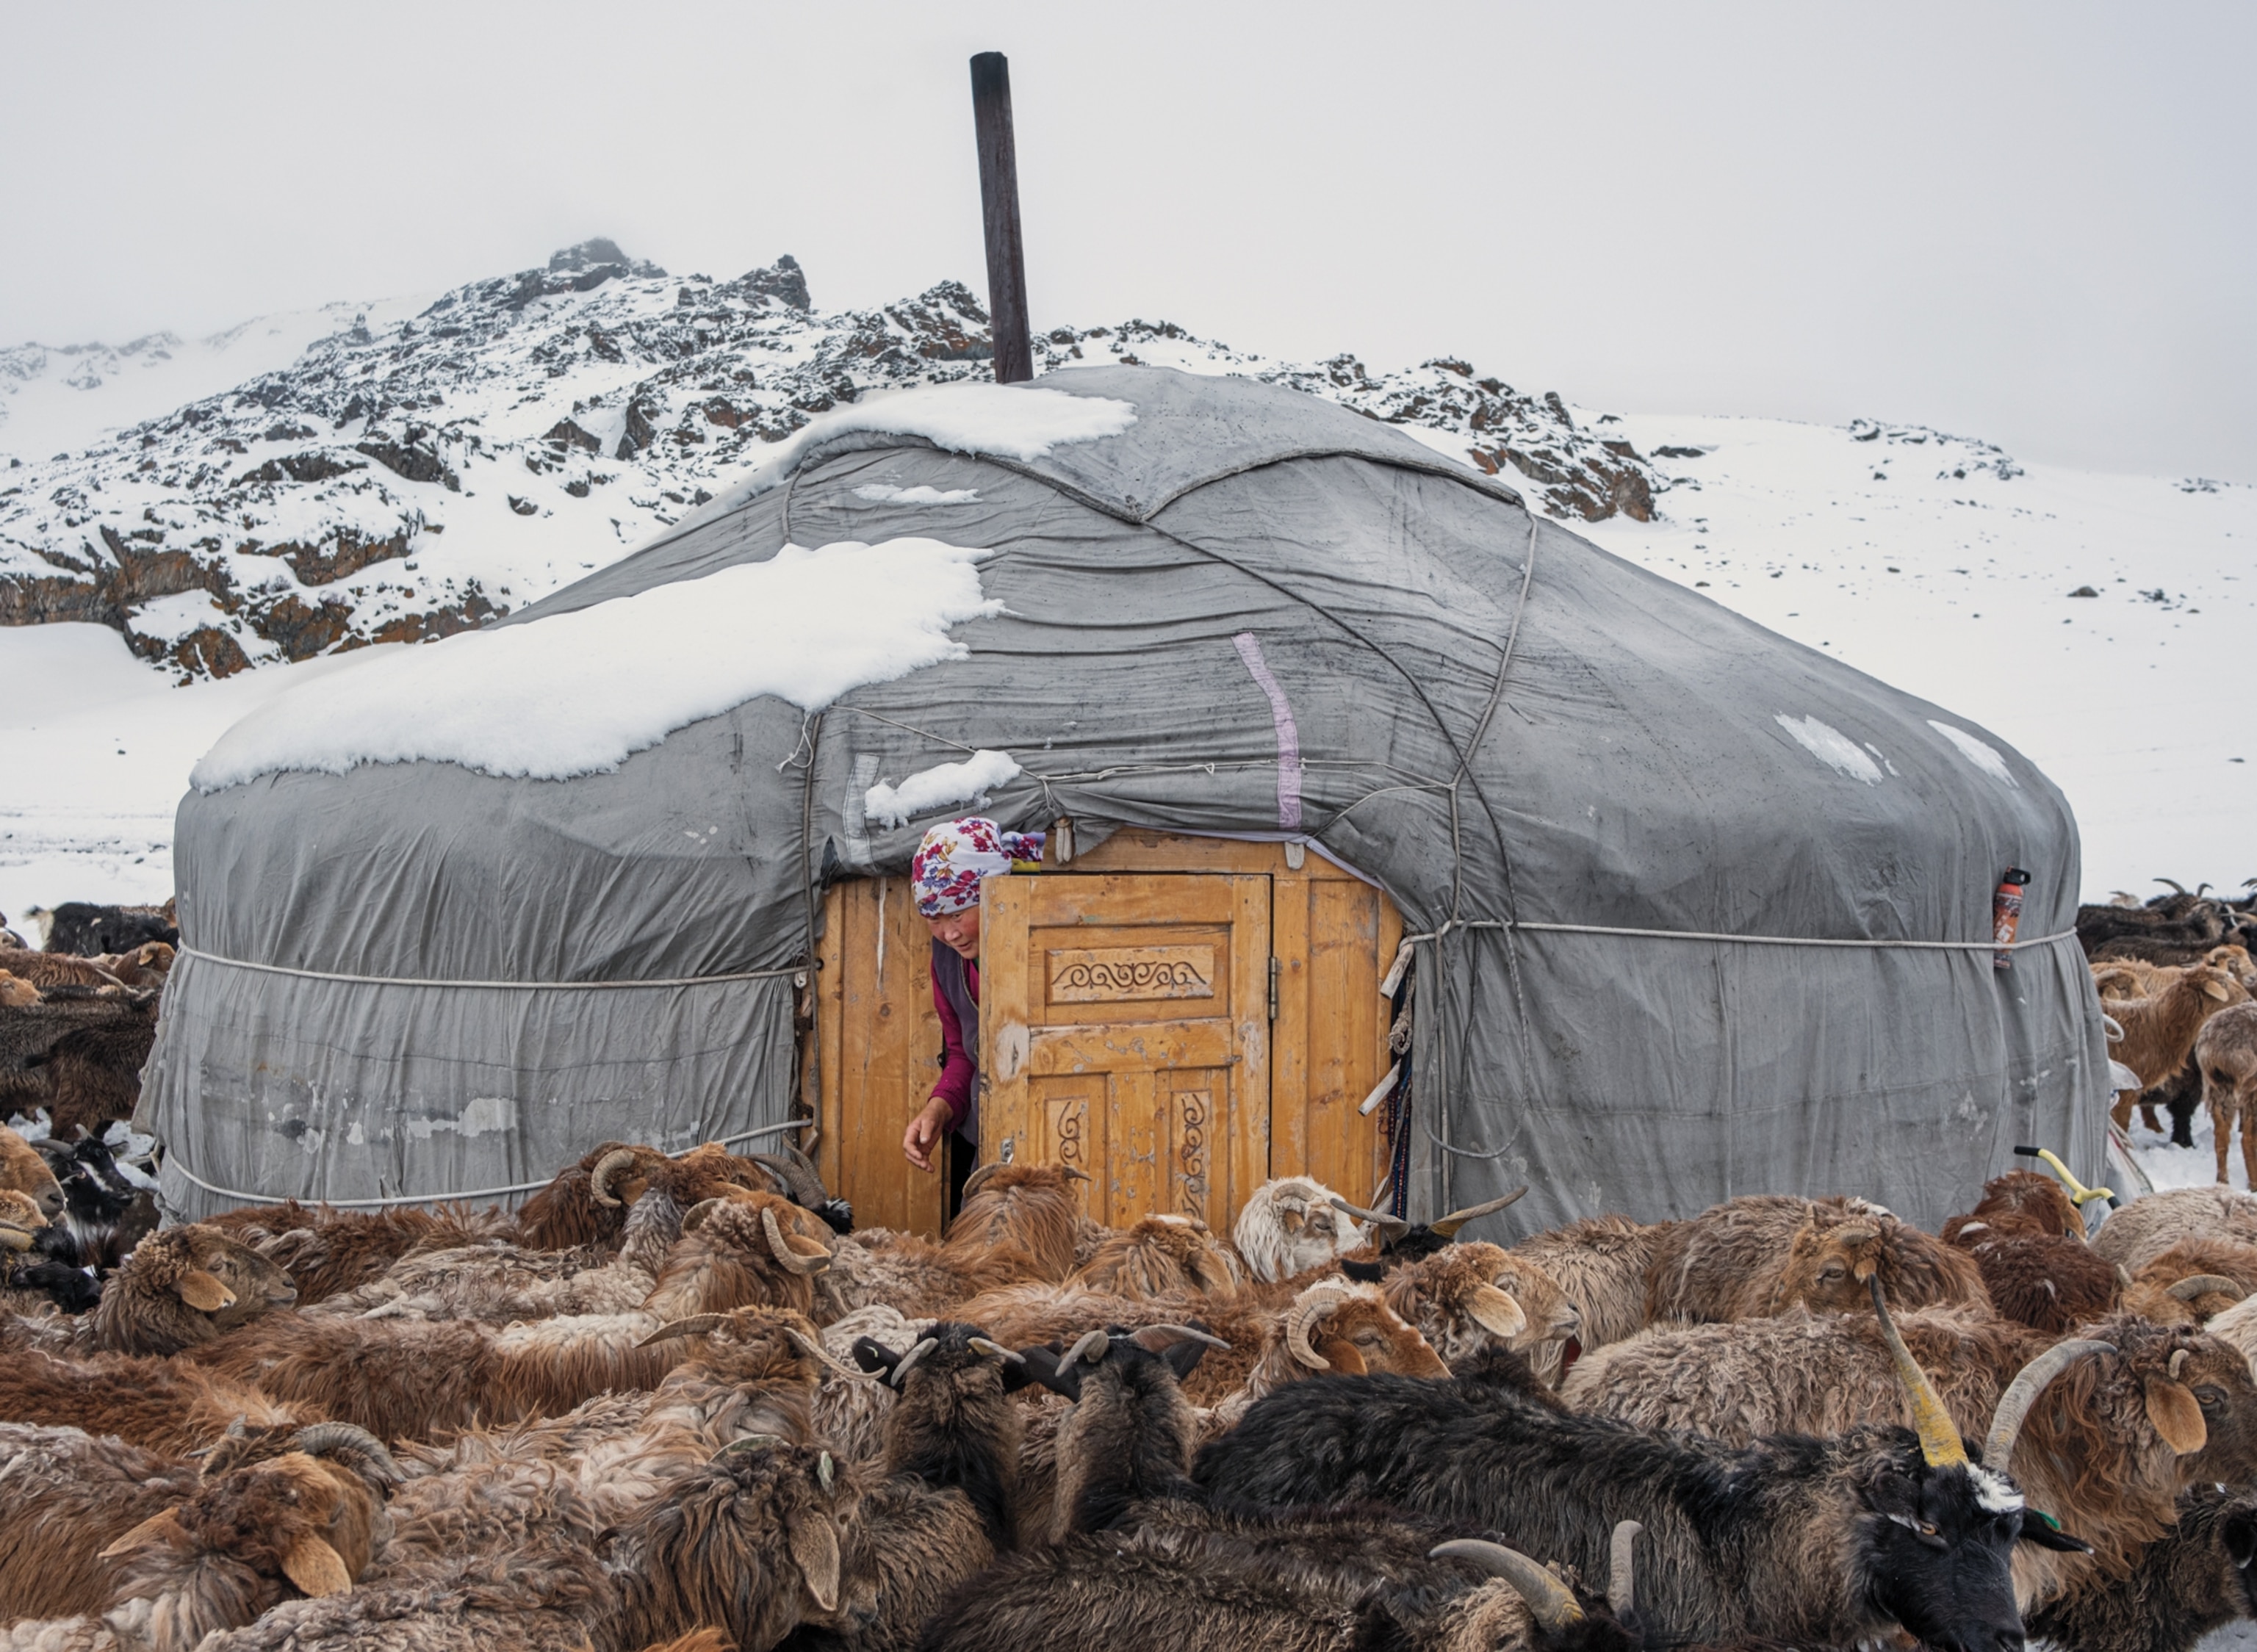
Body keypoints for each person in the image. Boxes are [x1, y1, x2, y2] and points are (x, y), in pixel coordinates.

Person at [899, 817, 1044, 1214]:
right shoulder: (947, 960)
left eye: (959, 913)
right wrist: (937, 1108)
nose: (949, 934)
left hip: (1057, 1139)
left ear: (996, 894)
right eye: (934, 919)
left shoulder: (1045, 945)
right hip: (997, 1145)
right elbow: (966, 1053)